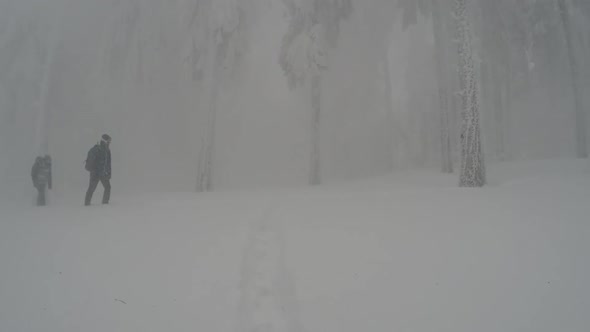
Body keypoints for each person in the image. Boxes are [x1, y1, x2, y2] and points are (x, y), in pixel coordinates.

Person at [85, 134, 112, 206]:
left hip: (101, 173)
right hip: (96, 173)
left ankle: (104, 203)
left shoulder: (107, 150)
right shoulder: (98, 149)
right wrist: (97, 170)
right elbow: (106, 164)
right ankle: (87, 204)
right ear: (105, 141)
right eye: (109, 141)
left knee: (107, 187)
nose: (110, 142)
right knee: (92, 188)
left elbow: (108, 164)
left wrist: (109, 174)